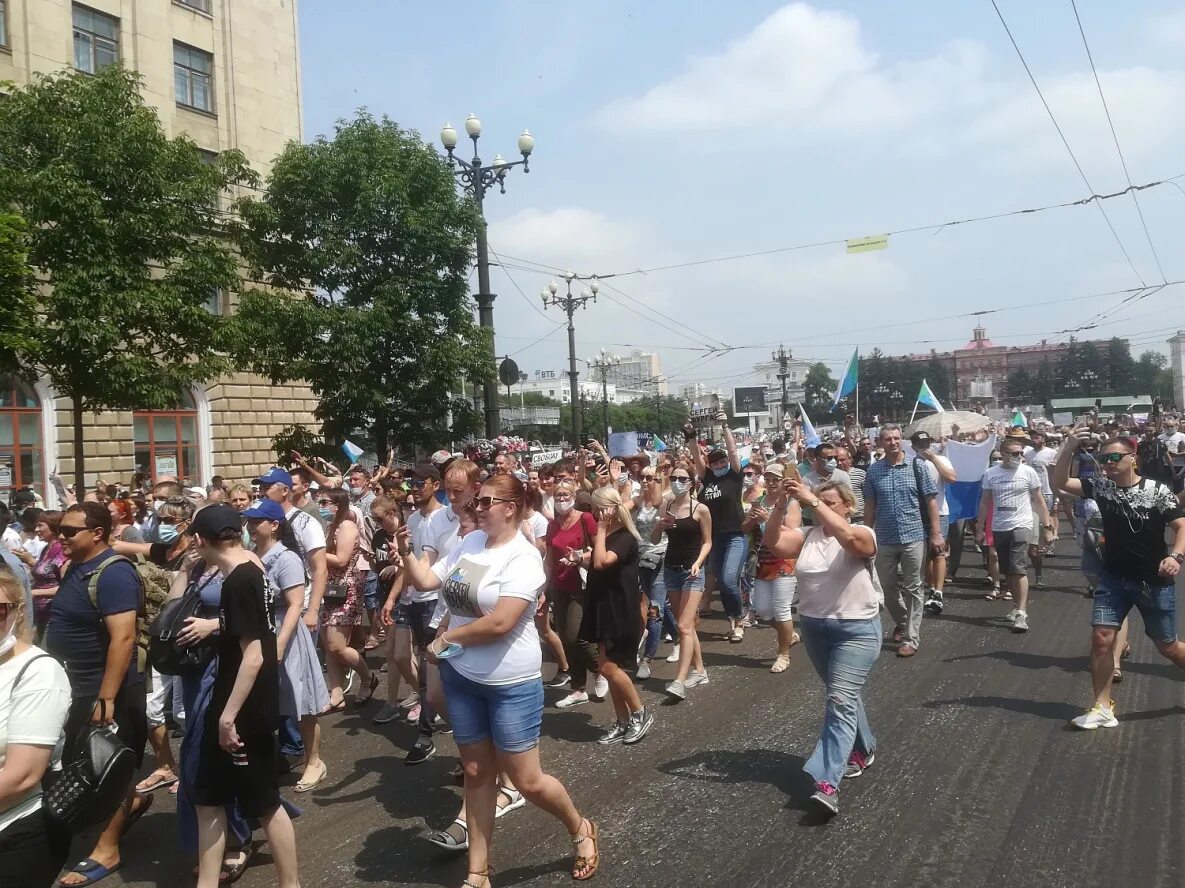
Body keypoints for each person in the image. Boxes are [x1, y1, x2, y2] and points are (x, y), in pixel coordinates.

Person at [397, 473, 599, 886]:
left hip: (510, 683)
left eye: (486, 501)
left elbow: (503, 621)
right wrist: (404, 553)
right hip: (463, 676)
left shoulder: (523, 557)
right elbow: (428, 581)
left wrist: (446, 637)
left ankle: (580, 828)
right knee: (475, 771)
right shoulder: (469, 543)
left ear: (511, 507)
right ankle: (477, 873)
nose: (478, 508)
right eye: (478, 502)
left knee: (527, 781)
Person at [183, 505, 300, 888]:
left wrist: (228, 717)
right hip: (235, 699)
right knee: (207, 796)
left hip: (244, 708)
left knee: (265, 803)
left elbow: (254, 654)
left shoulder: (240, 580)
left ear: (200, 540)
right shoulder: (249, 565)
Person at [762, 479, 880, 817]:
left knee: (839, 699)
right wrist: (781, 506)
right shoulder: (808, 538)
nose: (819, 508)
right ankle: (864, 748)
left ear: (847, 506)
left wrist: (813, 499)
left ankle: (827, 783)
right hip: (814, 628)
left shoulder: (861, 532)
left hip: (857, 630)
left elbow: (850, 540)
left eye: (828, 502)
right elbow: (772, 542)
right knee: (842, 693)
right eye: (818, 503)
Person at [46, 502, 149, 888]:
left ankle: (108, 848)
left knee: (106, 764)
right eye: (61, 529)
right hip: (74, 684)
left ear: (97, 534)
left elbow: (122, 638)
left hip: (103, 688)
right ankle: (134, 803)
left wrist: (106, 699)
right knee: (88, 761)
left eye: (70, 531)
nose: (62, 536)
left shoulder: (114, 574)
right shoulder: (78, 565)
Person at [1053, 431, 1185, 730]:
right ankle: (1101, 707)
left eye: (1114, 457)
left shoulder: (1157, 491)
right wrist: (1069, 447)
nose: (1107, 464)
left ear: (1132, 458)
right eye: (1103, 459)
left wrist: (1175, 557)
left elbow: (1181, 527)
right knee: (1101, 639)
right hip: (1113, 579)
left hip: (1153, 581)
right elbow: (1060, 483)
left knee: (1168, 646)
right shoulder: (1102, 487)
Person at [245, 499, 330, 792]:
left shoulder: (286, 558)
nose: (251, 527)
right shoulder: (250, 555)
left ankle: (314, 761)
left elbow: (295, 605)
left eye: (257, 522)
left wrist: (280, 644)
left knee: (301, 701)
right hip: (260, 631)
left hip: (287, 634)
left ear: (274, 525)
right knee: (267, 702)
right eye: (249, 521)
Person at [0, 573, 73, 888]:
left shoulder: (38, 672)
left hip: (15, 832)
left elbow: (21, 777)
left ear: (16, 612)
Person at [863, 424, 943, 658]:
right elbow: (870, 506)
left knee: (914, 588)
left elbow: (931, 502)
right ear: (881, 442)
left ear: (902, 440)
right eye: (888, 439)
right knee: (887, 587)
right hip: (885, 538)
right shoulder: (874, 471)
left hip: (913, 536)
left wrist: (936, 533)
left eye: (897, 438)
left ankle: (911, 638)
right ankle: (905, 621)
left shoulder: (917, 466)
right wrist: (866, 535)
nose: (893, 442)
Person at [580, 488, 653, 745]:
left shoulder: (624, 537)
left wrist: (599, 531)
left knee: (610, 667)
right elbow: (596, 564)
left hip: (620, 611)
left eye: (599, 509)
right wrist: (578, 560)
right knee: (607, 668)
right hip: (603, 607)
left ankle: (639, 712)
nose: (596, 514)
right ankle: (622, 721)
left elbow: (602, 563)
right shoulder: (609, 536)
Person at [396, 464, 451, 765]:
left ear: (434, 485)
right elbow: (414, 560)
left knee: (435, 669)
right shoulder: (413, 517)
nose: (413, 489)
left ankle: (425, 734)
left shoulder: (445, 518)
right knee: (424, 665)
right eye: (410, 484)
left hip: (437, 601)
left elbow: (433, 566)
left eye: (419, 484)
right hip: (415, 597)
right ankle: (441, 719)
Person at [975, 433, 1052, 634]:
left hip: (1022, 524)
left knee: (1018, 568)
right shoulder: (991, 474)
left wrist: (1048, 527)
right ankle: (1017, 606)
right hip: (1000, 526)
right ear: (1004, 453)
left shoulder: (1028, 472)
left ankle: (1021, 612)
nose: (1018, 456)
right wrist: (980, 528)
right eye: (1014, 453)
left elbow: (1039, 500)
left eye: (1020, 453)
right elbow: (985, 502)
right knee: (1008, 571)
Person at [545, 481, 604, 708]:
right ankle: (578, 689)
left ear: (574, 496)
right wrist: (543, 589)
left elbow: (599, 548)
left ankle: (601, 670)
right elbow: (549, 559)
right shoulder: (552, 525)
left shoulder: (585, 519)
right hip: (559, 586)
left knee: (575, 636)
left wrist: (579, 557)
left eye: (566, 495)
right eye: (558, 496)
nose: (562, 499)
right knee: (565, 639)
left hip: (581, 585)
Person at [690, 414, 748, 643]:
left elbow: (733, 452)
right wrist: (691, 436)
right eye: (715, 462)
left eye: (722, 461)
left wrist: (725, 426)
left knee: (728, 579)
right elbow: (696, 456)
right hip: (714, 539)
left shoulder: (734, 477)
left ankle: (739, 619)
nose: (719, 464)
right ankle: (733, 622)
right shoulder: (708, 479)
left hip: (735, 536)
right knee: (723, 582)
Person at [319, 487, 378, 710]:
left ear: (338, 504)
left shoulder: (347, 525)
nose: (321, 506)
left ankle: (367, 677)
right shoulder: (330, 526)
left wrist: (314, 553)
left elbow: (342, 559)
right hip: (331, 588)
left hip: (346, 589)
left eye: (325, 502)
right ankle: (336, 693)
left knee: (337, 645)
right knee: (328, 644)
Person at [657, 465, 712, 701]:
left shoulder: (701, 509)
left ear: (691, 482)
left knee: (683, 626)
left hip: (692, 572)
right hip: (671, 569)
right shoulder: (666, 505)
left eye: (682, 478)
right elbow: (654, 538)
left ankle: (679, 680)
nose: (677, 481)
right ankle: (700, 671)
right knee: (686, 625)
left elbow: (708, 542)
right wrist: (660, 525)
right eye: (673, 478)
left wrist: (699, 562)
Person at [741, 462, 801, 673]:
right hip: (762, 561)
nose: (772, 482)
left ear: (783, 480)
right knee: (764, 611)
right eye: (768, 478)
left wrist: (769, 520)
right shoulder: (759, 500)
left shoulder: (791, 503)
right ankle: (789, 634)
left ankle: (783, 654)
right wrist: (752, 520)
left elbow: (793, 531)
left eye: (776, 478)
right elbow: (745, 528)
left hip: (784, 560)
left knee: (782, 608)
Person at [912, 432, 955, 616]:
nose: (925, 446)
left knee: (939, 552)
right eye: (921, 444)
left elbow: (952, 478)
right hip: (917, 514)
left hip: (940, 512)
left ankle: (938, 592)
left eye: (927, 442)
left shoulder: (942, 460)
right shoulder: (910, 463)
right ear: (913, 446)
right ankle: (931, 589)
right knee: (925, 556)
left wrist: (934, 459)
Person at [634, 466, 671, 681]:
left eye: (651, 478)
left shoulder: (666, 499)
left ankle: (646, 659)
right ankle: (676, 639)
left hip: (661, 559)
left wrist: (659, 481)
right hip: (642, 560)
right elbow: (618, 506)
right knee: (660, 606)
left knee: (654, 611)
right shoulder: (639, 500)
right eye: (643, 477)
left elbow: (658, 503)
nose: (646, 481)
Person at [29, 511, 66, 637]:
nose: (36, 529)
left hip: (53, 613)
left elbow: (67, 586)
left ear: (53, 526)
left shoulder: (61, 551)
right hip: (40, 612)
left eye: (40, 525)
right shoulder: (46, 549)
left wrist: (34, 593)